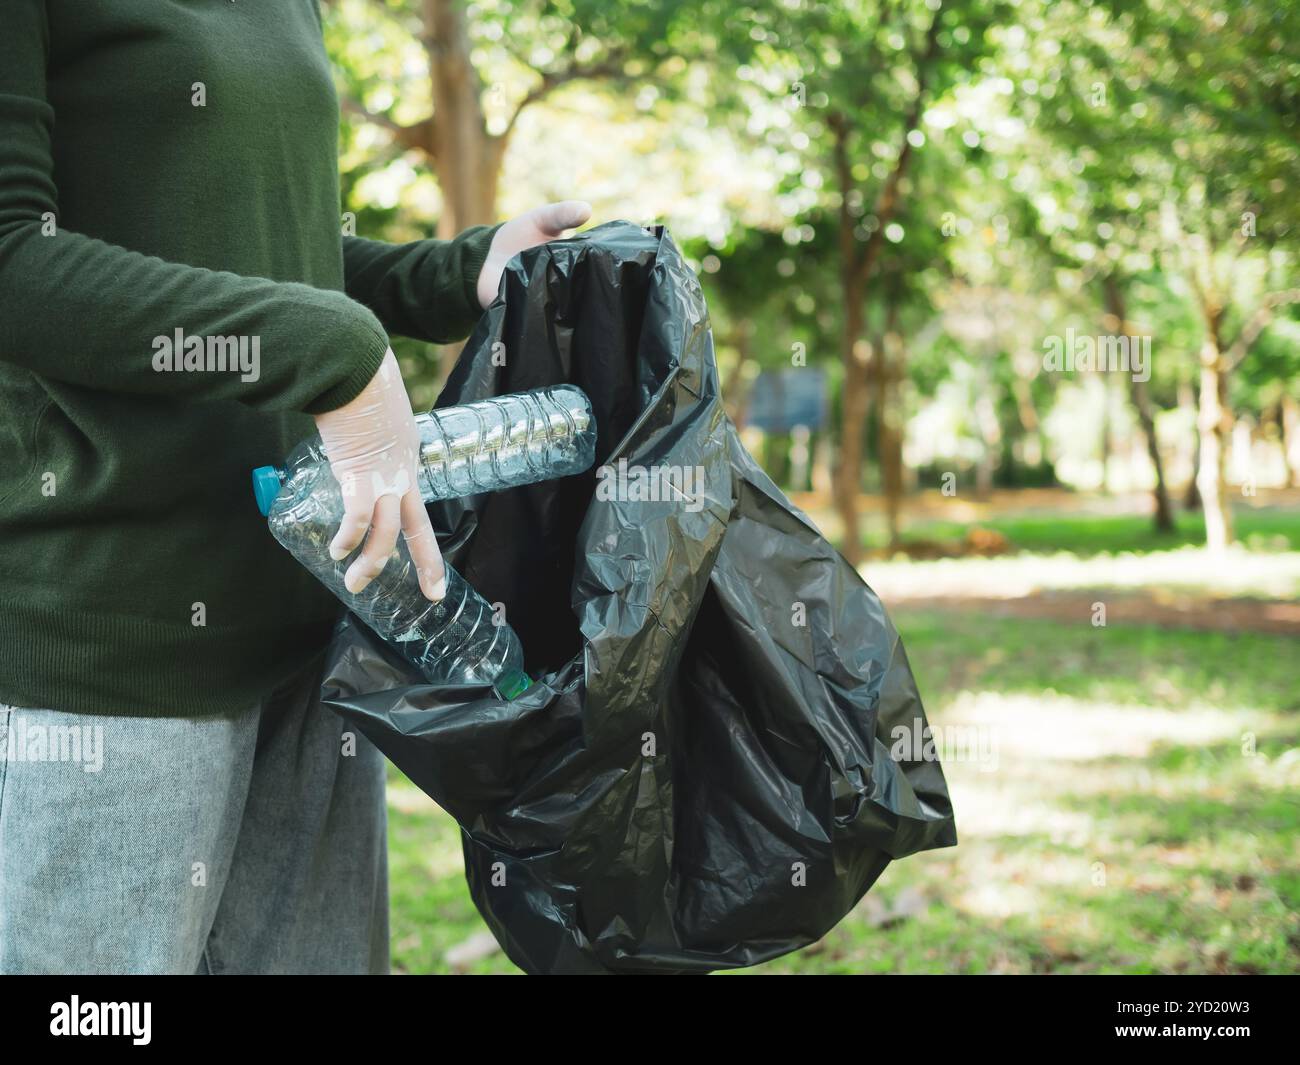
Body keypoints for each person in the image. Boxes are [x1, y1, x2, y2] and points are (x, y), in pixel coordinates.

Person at [0, 0, 590, 974]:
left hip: (315, 612)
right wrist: (329, 353)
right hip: (117, 638)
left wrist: (451, 276)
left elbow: (273, 253)